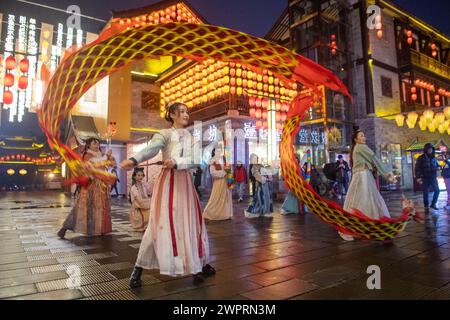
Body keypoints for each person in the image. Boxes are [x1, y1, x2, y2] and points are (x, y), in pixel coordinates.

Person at [120, 102, 214, 288]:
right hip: (169, 184)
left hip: (185, 184)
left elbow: (198, 161)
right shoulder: (164, 134)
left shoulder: (190, 137)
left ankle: (196, 266)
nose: (186, 114)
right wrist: (134, 159)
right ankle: (138, 268)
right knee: (159, 224)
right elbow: (152, 149)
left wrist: (178, 162)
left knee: (191, 223)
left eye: (187, 111)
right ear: (172, 114)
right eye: (182, 112)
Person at [340, 127, 396, 241]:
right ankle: (369, 225)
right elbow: (374, 159)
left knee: (357, 200)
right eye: (361, 136)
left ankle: (356, 225)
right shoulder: (361, 147)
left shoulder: (356, 148)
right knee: (368, 199)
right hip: (363, 176)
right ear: (356, 139)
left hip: (358, 176)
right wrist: (387, 175)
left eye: (364, 135)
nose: (364, 137)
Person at [57, 137, 116, 238]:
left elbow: (109, 165)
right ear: (88, 145)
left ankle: (98, 229)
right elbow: (95, 164)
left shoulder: (101, 155)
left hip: (101, 186)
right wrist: (106, 156)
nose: (97, 145)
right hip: (90, 186)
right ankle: (64, 228)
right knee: (82, 209)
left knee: (100, 208)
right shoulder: (87, 156)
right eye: (94, 143)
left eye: (98, 144)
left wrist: (111, 159)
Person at [203, 148, 233, 220]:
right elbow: (212, 172)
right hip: (218, 182)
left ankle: (225, 213)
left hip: (226, 181)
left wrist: (229, 171)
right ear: (214, 151)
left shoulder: (224, 159)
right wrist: (223, 173)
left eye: (220, 150)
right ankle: (210, 212)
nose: (219, 152)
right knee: (217, 197)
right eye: (217, 150)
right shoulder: (213, 160)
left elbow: (228, 169)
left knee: (225, 197)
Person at [245, 154, 278, 218]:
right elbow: (257, 176)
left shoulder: (260, 165)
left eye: (256, 158)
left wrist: (269, 175)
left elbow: (267, 171)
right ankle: (263, 211)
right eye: (254, 159)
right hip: (261, 185)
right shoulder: (253, 167)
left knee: (266, 197)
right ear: (251, 160)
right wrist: (266, 179)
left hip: (266, 184)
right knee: (262, 198)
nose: (256, 160)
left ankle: (266, 211)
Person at [415, 143, 440, 212]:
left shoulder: (434, 157)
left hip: (433, 177)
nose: (430, 150)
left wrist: (438, 167)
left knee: (437, 191)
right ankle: (426, 206)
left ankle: (433, 204)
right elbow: (417, 168)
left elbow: (437, 165)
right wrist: (418, 177)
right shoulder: (421, 158)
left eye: (431, 149)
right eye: (429, 149)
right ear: (426, 149)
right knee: (425, 193)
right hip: (425, 178)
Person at [129, 167, 151, 231]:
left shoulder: (143, 186)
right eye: (138, 175)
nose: (140, 177)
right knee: (150, 210)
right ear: (134, 176)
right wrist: (150, 203)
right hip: (138, 209)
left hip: (143, 206)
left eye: (141, 175)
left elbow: (146, 197)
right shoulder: (134, 188)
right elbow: (140, 202)